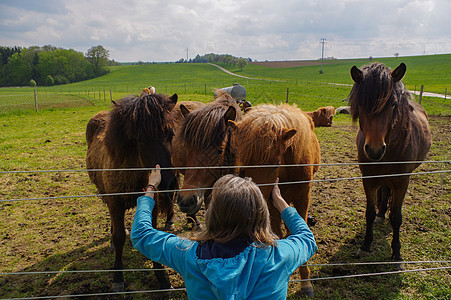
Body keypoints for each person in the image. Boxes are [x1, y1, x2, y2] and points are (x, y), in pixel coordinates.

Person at [131, 165, 317, 299]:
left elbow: (141, 234)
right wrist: (280, 203)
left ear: (212, 213)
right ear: (261, 213)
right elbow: (307, 238)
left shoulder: (188, 254)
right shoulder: (279, 255)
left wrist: (151, 188)